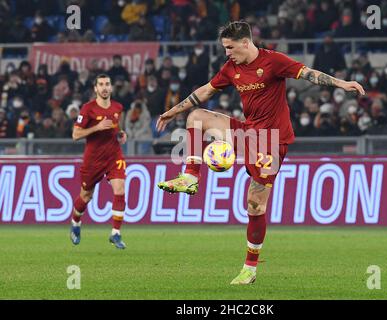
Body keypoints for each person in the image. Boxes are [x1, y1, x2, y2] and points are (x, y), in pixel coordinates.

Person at [156, 22, 364, 285]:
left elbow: (309, 73)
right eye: (224, 48)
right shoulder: (231, 68)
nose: (227, 53)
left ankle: (250, 269)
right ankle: (190, 176)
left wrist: (341, 84)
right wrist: (173, 111)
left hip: (272, 142)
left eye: (230, 48)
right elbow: (206, 90)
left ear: (246, 43)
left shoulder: (274, 61)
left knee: (254, 206)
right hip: (248, 133)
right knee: (196, 117)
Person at [70, 74, 128, 249]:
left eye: (107, 84)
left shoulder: (118, 107)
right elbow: (75, 135)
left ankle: (115, 234)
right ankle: (75, 221)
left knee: (120, 189)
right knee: (86, 196)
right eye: (101, 84)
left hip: (113, 155)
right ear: (95, 88)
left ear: (111, 88)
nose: (104, 87)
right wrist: (96, 127)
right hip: (93, 160)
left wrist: (120, 133)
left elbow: (116, 127)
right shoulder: (88, 109)